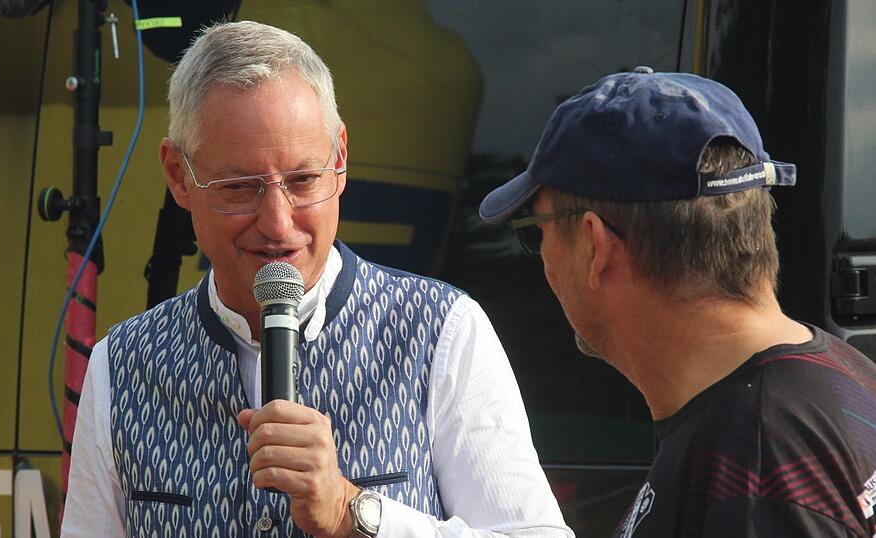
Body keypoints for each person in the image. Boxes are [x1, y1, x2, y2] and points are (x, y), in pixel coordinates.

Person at [61, 20, 573, 537]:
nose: (279, 223)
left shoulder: (440, 332)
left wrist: (353, 513)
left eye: (303, 180)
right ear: (178, 175)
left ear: (341, 158)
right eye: (241, 187)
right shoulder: (122, 366)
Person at [479, 67, 876, 538]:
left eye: (536, 234)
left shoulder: (752, 465)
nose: (540, 261)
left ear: (594, 245)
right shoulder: (839, 377)